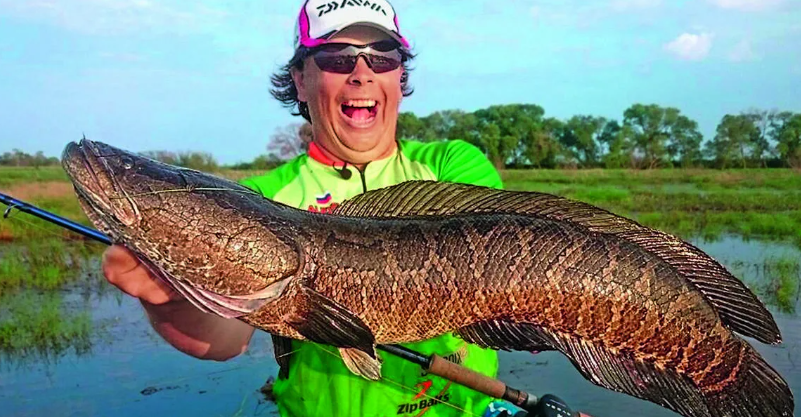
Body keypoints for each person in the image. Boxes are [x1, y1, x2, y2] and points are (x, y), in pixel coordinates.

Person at [101, 1, 515, 416]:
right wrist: (169, 301)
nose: (362, 72)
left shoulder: (453, 165)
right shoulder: (263, 199)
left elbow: (504, 265)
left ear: (399, 75)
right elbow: (225, 340)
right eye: (337, 58)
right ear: (300, 78)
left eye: (382, 58)